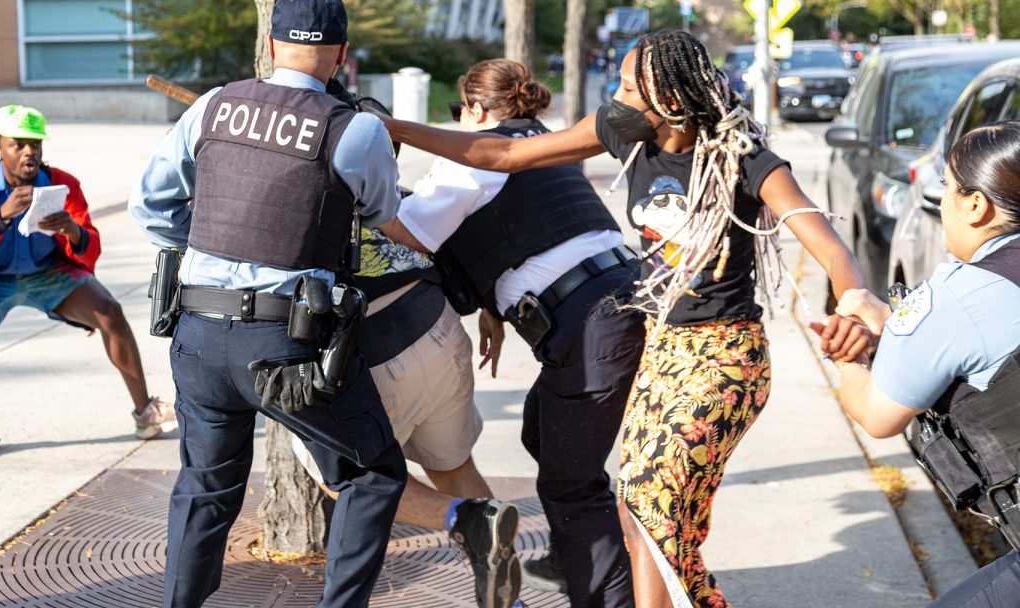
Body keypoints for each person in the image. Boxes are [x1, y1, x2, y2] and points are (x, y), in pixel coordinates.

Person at [375, 30, 871, 608]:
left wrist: (855, 298)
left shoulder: (743, 158)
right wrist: (394, 129)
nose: (616, 94)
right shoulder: (622, 129)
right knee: (643, 513)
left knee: (649, 505)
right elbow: (501, 154)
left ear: (671, 99)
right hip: (663, 346)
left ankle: (606, 586)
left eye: (631, 86)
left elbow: (827, 243)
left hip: (724, 354)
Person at [129, 0, 507, 608]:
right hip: (287, 344)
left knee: (204, 489)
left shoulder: (216, 107)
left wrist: (212, 248)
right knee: (372, 475)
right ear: (342, 56)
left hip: (195, 332)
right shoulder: (353, 130)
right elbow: (381, 209)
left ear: (272, 44)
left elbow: (151, 206)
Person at [375, 58, 646, 608]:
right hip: (629, 298)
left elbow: (411, 234)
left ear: (474, 110)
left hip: (590, 325)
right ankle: (578, 559)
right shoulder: (545, 143)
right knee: (542, 429)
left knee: (570, 484)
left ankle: (601, 591)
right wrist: (493, 308)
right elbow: (524, 232)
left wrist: (363, 193)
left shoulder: (472, 162)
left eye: (460, 113)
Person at [833, 121, 1020, 608]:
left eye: (947, 190)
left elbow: (877, 415)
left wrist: (848, 357)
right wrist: (894, 324)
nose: (941, 205)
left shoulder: (954, 297)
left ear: (976, 205)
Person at [290, 223, 523, 608]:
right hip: (436, 322)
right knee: (454, 468)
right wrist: (488, 304)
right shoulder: (359, 164)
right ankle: (509, 601)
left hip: (369, 349)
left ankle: (468, 517)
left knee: (350, 480)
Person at [0, 105, 175, 464]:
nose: (30, 152)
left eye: (36, 144)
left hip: (47, 271)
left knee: (110, 311)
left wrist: (72, 231)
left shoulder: (61, 184)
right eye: (19, 145)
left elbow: (90, 240)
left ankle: (144, 412)